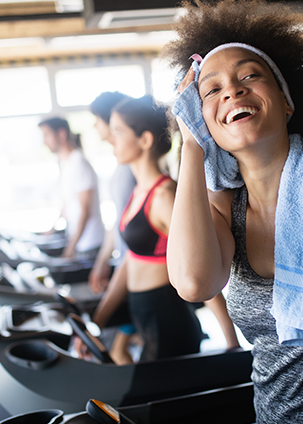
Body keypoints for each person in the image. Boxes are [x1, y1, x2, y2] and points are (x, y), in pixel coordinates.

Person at [163, 1, 303, 423]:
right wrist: (190, 146)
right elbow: (193, 283)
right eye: (211, 89)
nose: (232, 90)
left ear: (287, 101)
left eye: (250, 75)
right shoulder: (222, 211)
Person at [92, 95, 205, 363]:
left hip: (167, 320)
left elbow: (198, 270)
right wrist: (98, 319)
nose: (111, 138)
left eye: (119, 131)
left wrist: (232, 344)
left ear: (144, 140)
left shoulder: (165, 195)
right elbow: (132, 259)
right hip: (144, 313)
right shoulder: (138, 191)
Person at [89, 92, 137, 364]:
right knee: (119, 350)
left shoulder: (132, 170)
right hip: (124, 270)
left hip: (134, 272)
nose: (96, 127)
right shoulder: (120, 167)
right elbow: (118, 223)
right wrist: (102, 262)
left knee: (118, 350)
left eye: (97, 120)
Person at [39, 117, 105, 260]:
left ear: (61, 134)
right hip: (80, 241)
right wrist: (51, 230)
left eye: (46, 135)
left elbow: (85, 211)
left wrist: (71, 248)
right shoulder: (67, 163)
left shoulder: (78, 163)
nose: (44, 141)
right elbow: (68, 204)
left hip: (90, 244)